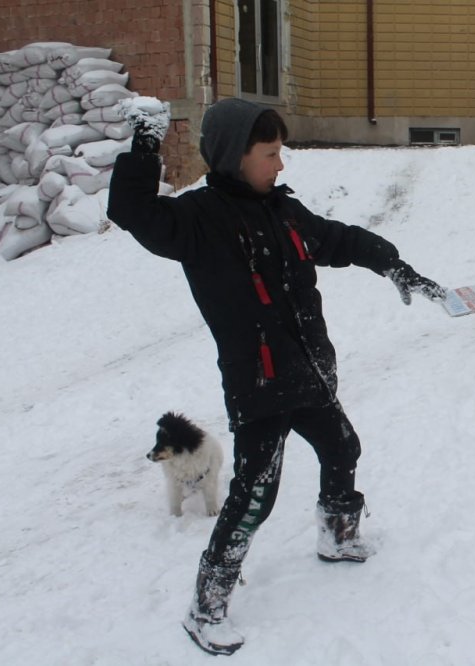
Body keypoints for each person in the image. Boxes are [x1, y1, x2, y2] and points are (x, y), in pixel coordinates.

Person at [107, 97, 446, 655]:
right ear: (234, 157)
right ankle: (206, 607)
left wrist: (394, 265)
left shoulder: (284, 211)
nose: (280, 164)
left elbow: (338, 239)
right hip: (260, 385)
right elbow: (134, 211)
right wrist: (145, 144)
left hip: (308, 372)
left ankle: (338, 537)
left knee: (343, 447)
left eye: (279, 152)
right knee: (254, 496)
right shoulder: (197, 221)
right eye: (269, 154)